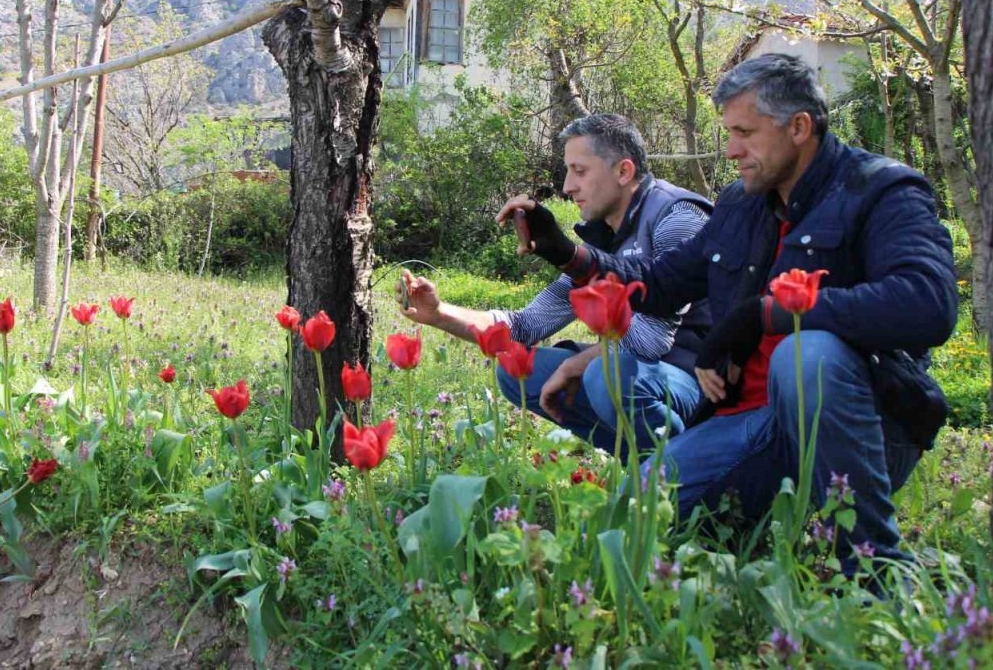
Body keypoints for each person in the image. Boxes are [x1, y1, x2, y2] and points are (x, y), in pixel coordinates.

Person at [507, 54, 957, 565]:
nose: (731, 150)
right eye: (728, 132)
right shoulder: (740, 203)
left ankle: (872, 561)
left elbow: (929, 302)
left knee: (804, 355)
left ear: (799, 127)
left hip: (860, 425)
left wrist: (768, 315)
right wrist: (565, 252)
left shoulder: (880, 190)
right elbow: (657, 284)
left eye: (745, 132)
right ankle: (757, 525)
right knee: (632, 511)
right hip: (747, 419)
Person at [399, 113, 711, 457]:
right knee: (517, 371)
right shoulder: (602, 236)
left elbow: (650, 340)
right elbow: (526, 325)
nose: (567, 186)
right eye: (568, 171)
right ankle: (640, 465)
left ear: (623, 171)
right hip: (638, 373)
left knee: (604, 376)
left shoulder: (677, 216)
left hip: (696, 377)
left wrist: (574, 364)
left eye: (580, 171)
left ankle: (681, 471)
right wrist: (439, 313)